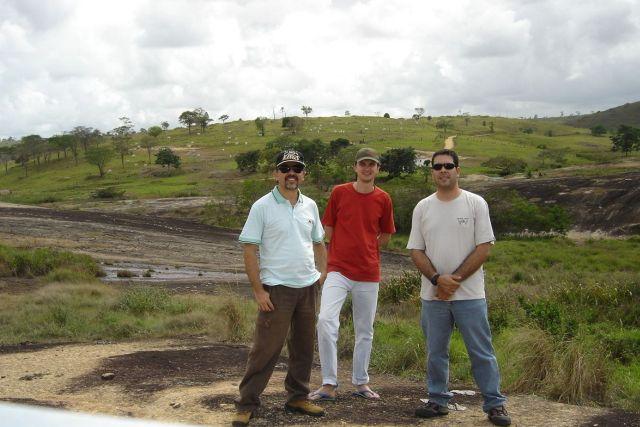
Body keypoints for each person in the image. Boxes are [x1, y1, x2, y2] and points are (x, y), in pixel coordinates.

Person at [407, 149, 512, 426]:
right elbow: (416, 250)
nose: (443, 170)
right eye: (437, 166)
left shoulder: (475, 203)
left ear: (457, 170)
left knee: (481, 351)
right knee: (435, 351)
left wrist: (453, 281)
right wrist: (436, 280)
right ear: (431, 171)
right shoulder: (423, 207)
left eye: (448, 166)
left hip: (470, 295)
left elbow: (484, 247)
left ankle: (494, 404)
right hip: (433, 295)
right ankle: (438, 400)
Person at [233, 150, 328, 426]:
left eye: (296, 168)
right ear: (276, 174)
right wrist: (259, 291)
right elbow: (250, 249)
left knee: (303, 346)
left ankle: (298, 397)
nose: (291, 173)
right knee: (265, 348)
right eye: (285, 168)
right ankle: (246, 403)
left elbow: (319, 243)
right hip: (276, 290)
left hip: (307, 288)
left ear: (303, 174)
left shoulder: (310, 205)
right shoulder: (262, 206)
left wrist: (322, 274)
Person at [309, 147, 395, 402]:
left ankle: (361, 382)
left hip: (368, 273)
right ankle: (328, 383)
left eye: (372, 164)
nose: (367, 168)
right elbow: (329, 228)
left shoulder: (384, 198)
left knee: (364, 329)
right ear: (355, 167)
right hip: (338, 270)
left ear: (378, 169)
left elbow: (387, 235)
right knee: (325, 321)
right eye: (363, 164)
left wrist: (366, 248)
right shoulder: (340, 192)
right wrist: (337, 254)